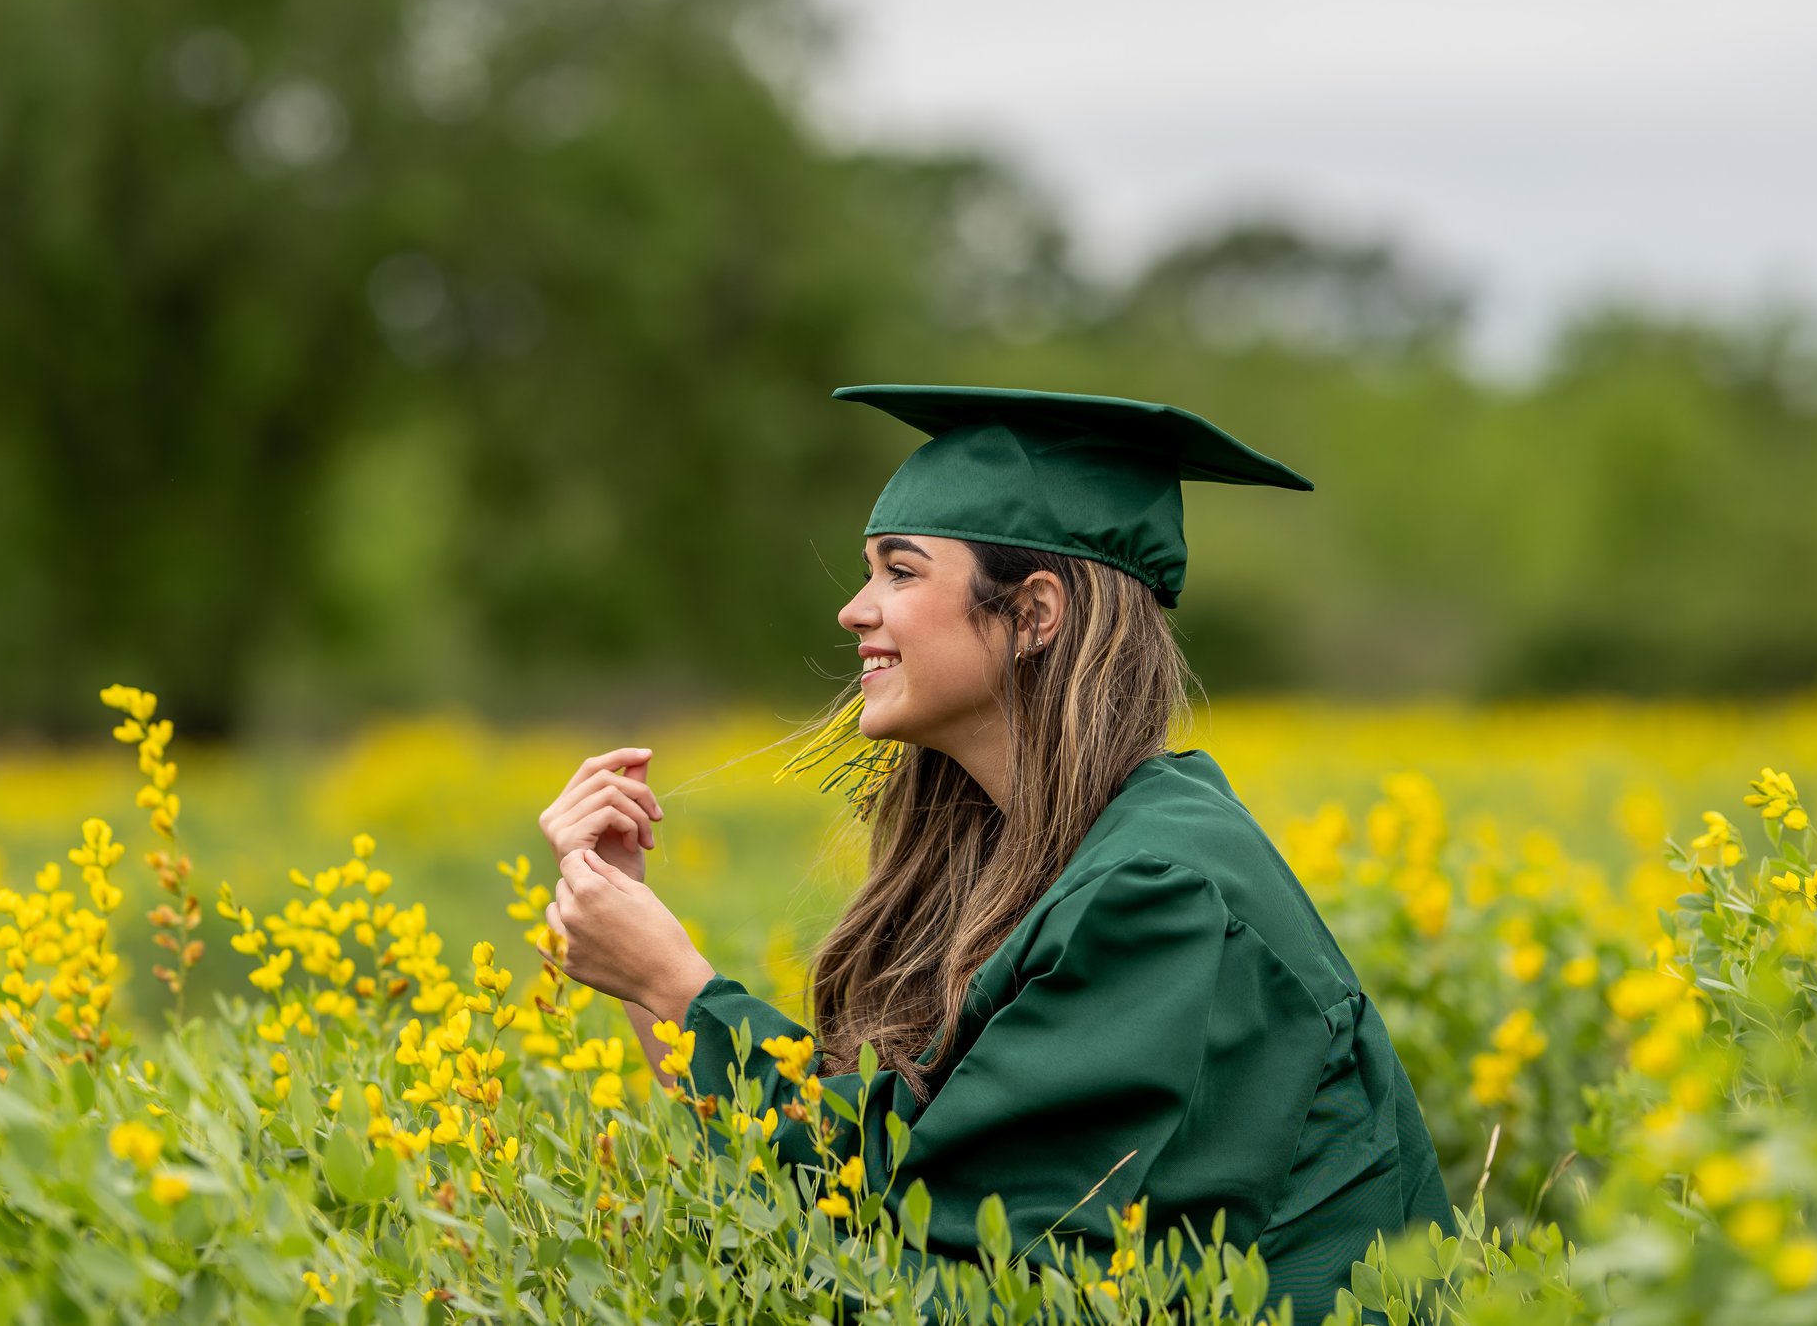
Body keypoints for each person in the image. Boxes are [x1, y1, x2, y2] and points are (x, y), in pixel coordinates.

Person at [536, 383, 1453, 1318]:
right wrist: (651, 973)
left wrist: (679, 989)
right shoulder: (1057, 847)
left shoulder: (1157, 890)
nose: (854, 610)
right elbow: (874, 1178)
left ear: (1035, 613)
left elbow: (953, 1269)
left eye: (900, 571)